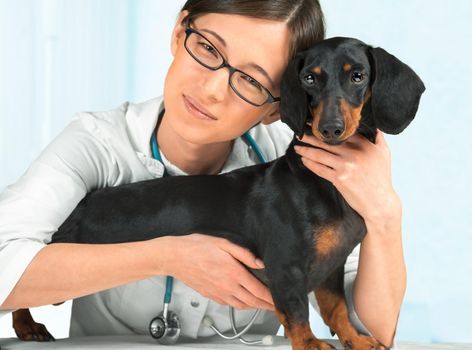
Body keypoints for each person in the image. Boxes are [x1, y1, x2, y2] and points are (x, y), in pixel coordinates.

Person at [0, 0, 405, 347]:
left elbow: (373, 333)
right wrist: (169, 254)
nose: (212, 89)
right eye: (208, 48)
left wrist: (384, 214)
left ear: (277, 108)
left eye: (251, 79)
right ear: (179, 33)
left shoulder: (301, 172)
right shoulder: (96, 144)